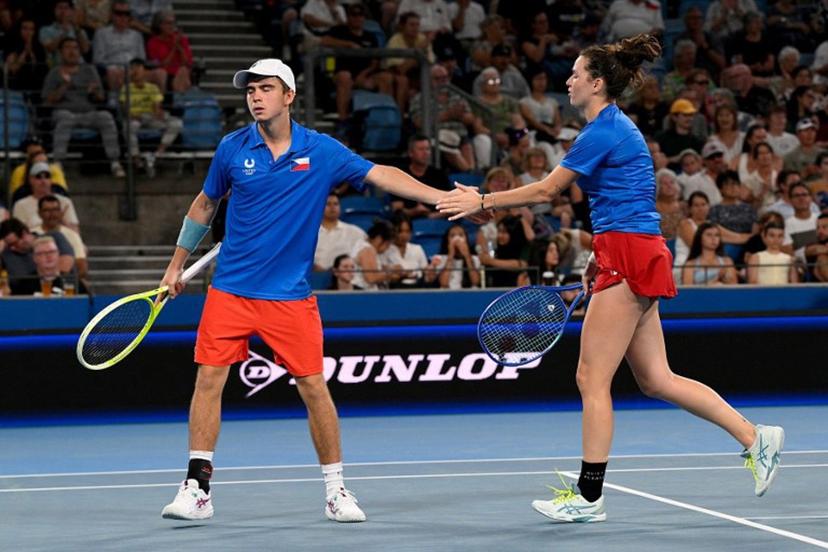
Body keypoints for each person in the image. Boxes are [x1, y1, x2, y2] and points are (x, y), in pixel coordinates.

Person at [437, 33, 783, 522]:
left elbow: (548, 192)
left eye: (576, 74)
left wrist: (484, 202)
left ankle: (589, 496)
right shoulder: (613, 127)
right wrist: (600, 255)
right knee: (656, 379)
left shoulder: (603, 130)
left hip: (630, 252)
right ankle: (755, 437)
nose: (569, 80)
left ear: (596, 83)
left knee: (590, 378)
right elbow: (621, 205)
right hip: (630, 249)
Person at [157, 59, 456, 523]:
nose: (255, 96)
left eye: (266, 89)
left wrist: (439, 197)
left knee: (314, 387)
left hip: (289, 297)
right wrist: (175, 265)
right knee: (209, 379)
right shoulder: (232, 149)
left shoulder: (322, 151)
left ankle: (336, 491)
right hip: (231, 290)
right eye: (251, 90)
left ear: (289, 96)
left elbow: (380, 174)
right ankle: (197, 487)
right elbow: (205, 202)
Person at [41, 37, 126, 178]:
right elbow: (47, 101)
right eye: (68, 48)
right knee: (65, 119)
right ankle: (58, 163)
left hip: (88, 113)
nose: (72, 51)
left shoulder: (89, 70)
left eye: (75, 48)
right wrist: (64, 86)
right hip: (65, 113)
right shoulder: (54, 72)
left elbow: (101, 98)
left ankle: (115, 162)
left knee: (106, 117)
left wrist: (94, 91)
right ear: (61, 52)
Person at [120, 58, 183, 174]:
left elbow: (157, 108)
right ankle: (137, 159)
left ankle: (158, 154)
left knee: (176, 123)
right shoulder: (126, 88)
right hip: (134, 119)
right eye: (133, 69)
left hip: (150, 117)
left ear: (144, 71)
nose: (135, 71)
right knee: (128, 127)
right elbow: (124, 109)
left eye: (138, 68)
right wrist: (133, 115)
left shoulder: (152, 88)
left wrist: (159, 114)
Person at [31, 194, 89, 286]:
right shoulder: (31, 234)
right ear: (39, 213)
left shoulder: (72, 235)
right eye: (47, 210)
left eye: (55, 210)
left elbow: (82, 266)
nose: (52, 214)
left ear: (61, 212)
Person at [12, 161, 81, 233]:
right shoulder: (20, 205)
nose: (43, 181)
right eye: (38, 177)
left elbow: (75, 232)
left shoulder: (65, 202)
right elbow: (18, 234)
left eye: (47, 176)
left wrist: (60, 220)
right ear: (30, 180)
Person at [314, 193, 368, 271]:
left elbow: (368, 251)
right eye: (328, 204)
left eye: (336, 204)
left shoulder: (354, 232)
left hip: (345, 277)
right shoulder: (310, 233)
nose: (332, 207)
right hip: (314, 277)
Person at [146, 10, 193, 93]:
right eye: (168, 23)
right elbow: (161, 65)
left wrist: (180, 48)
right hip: (164, 74)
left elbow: (187, 63)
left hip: (180, 74)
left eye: (173, 23)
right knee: (162, 73)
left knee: (183, 70)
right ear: (159, 25)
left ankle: (178, 102)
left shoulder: (182, 39)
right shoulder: (153, 43)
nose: (172, 26)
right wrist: (174, 48)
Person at [381, 213, 429, 288]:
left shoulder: (417, 249)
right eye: (400, 231)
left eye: (407, 231)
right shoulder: (385, 250)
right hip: (393, 289)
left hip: (417, 288)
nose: (404, 235)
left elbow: (426, 273)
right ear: (393, 231)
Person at [429, 223, 481, 289]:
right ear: (447, 240)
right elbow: (444, 283)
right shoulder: (439, 258)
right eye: (452, 236)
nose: (457, 239)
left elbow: (475, 282)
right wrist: (451, 255)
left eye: (461, 235)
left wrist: (467, 256)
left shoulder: (474, 259)